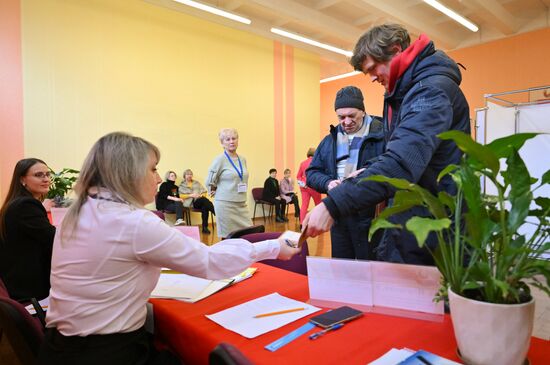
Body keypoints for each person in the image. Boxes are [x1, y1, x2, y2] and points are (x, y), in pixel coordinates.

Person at [39, 132, 300, 364]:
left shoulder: (78, 211)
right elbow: (211, 262)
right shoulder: (132, 222)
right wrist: (274, 246)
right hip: (108, 352)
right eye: (153, 169)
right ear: (128, 172)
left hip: (59, 346)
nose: (158, 178)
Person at [304, 24, 471, 265]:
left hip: (433, 224)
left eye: (372, 68)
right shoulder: (404, 92)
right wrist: (367, 171)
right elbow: (395, 153)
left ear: (395, 50)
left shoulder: (430, 92)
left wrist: (333, 204)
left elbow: (401, 162)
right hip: (413, 217)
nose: (371, 77)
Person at [306, 86, 385, 260]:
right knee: (343, 269)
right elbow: (312, 172)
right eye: (341, 117)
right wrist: (328, 183)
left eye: (352, 116)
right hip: (340, 215)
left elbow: (390, 167)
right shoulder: (329, 140)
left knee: (371, 272)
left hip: (373, 218)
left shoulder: (382, 134)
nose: (346, 122)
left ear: (363, 112)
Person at [0, 158, 56, 301]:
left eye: (48, 174)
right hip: (29, 290)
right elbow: (52, 238)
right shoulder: (26, 205)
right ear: (22, 180)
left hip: (16, 283)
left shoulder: (17, 203)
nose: (46, 179)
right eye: (39, 175)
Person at [205, 128, 252, 238]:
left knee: (249, 233)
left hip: (241, 203)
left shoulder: (243, 159)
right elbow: (210, 180)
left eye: (234, 138)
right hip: (225, 204)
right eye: (227, 139)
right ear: (222, 143)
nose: (231, 141)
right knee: (228, 237)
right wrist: (212, 189)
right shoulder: (219, 159)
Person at [179, 169, 215, 234]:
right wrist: (191, 195)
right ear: (184, 176)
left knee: (204, 204)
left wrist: (200, 195)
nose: (189, 176)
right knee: (205, 204)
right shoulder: (182, 185)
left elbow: (204, 191)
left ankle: (205, 227)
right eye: (188, 174)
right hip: (189, 203)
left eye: (190, 174)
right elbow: (180, 196)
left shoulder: (196, 183)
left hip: (198, 201)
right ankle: (215, 212)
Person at [296, 148, 322, 225]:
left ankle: (302, 223)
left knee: (304, 205)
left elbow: (298, 176)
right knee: (318, 205)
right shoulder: (317, 162)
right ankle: (319, 222)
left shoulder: (302, 163)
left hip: (304, 187)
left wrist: (303, 184)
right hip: (314, 186)